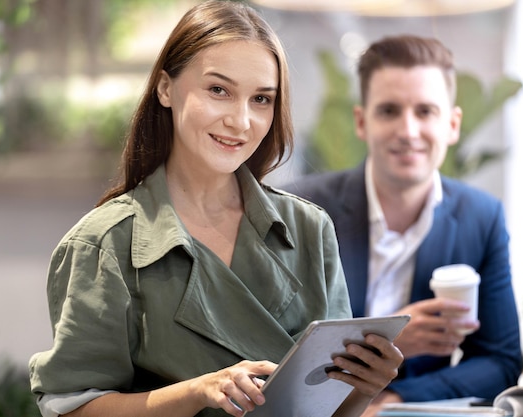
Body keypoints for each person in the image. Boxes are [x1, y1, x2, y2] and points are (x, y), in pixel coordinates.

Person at [28, 2, 404, 417]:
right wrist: (196, 392)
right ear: (165, 88)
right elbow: (74, 409)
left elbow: (327, 408)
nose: (241, 121)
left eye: (261, 99)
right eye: (219, 90)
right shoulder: (103, 245)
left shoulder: (310, 229)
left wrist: (365, 387)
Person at [283, 35, 523, 415]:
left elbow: (500, 362)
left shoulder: (482, 217)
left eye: (425, 111)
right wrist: (390, 343)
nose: (408, 131)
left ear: (453, 124)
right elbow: (277, 351)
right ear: (362, 122)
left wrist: (391, 400)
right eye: (389, 111)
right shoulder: (302, 210)